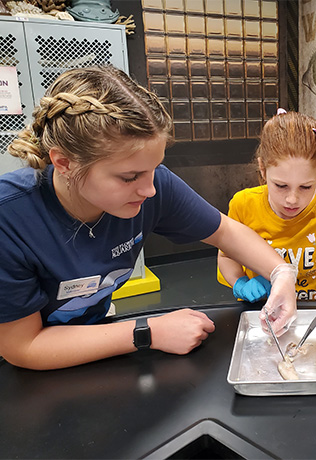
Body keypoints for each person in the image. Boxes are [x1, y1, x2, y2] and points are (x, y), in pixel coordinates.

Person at [0, 65, 297, 370]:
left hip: (94, 338)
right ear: (64, 163)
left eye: (154, 169)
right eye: (130, 177)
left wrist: (281, 273)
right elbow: (24, 347)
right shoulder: (10, 217)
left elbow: (226, 232)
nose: (150, 190)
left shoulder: (153, 186)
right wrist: (147, 331)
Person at [217, 110, 316, 310]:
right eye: (281, 186)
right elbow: (226, 257)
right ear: (262, 168)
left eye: (306, 187)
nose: (292, 200)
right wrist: (240, 282)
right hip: (262, 312)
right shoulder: (243, 205)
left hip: (315, 314)